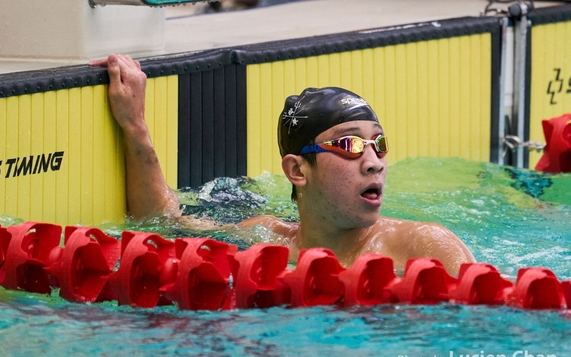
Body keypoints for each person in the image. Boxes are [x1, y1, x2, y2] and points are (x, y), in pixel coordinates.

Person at [89, 54, 475, 276]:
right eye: (350, 145)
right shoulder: (266, 237)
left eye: (379, 144)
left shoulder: (424, 246)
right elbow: (161, 223)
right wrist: (134, 125)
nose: (374, 163)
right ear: (297, 171)